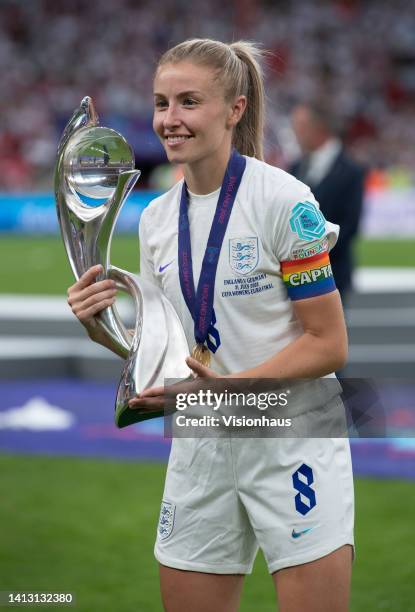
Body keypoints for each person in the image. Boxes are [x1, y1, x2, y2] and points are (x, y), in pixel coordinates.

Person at [67, 39, 354, 612]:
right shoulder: (154, 220)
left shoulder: (283, 201)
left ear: (235, 110)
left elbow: (330, 343)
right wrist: (106, 332)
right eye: (161, 103)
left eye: (189, 102)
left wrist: (235, 386)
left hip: (290, 438)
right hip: (202, 441)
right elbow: (173, 351)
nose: (170, 120)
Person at [290, 102, 366, 301]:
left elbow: (350, 225)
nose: (295, 133)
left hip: (334, 272)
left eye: (300, 126)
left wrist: (313, 253)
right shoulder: (295, 167)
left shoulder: (352, 171)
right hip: (296, 273)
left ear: (319, 128)